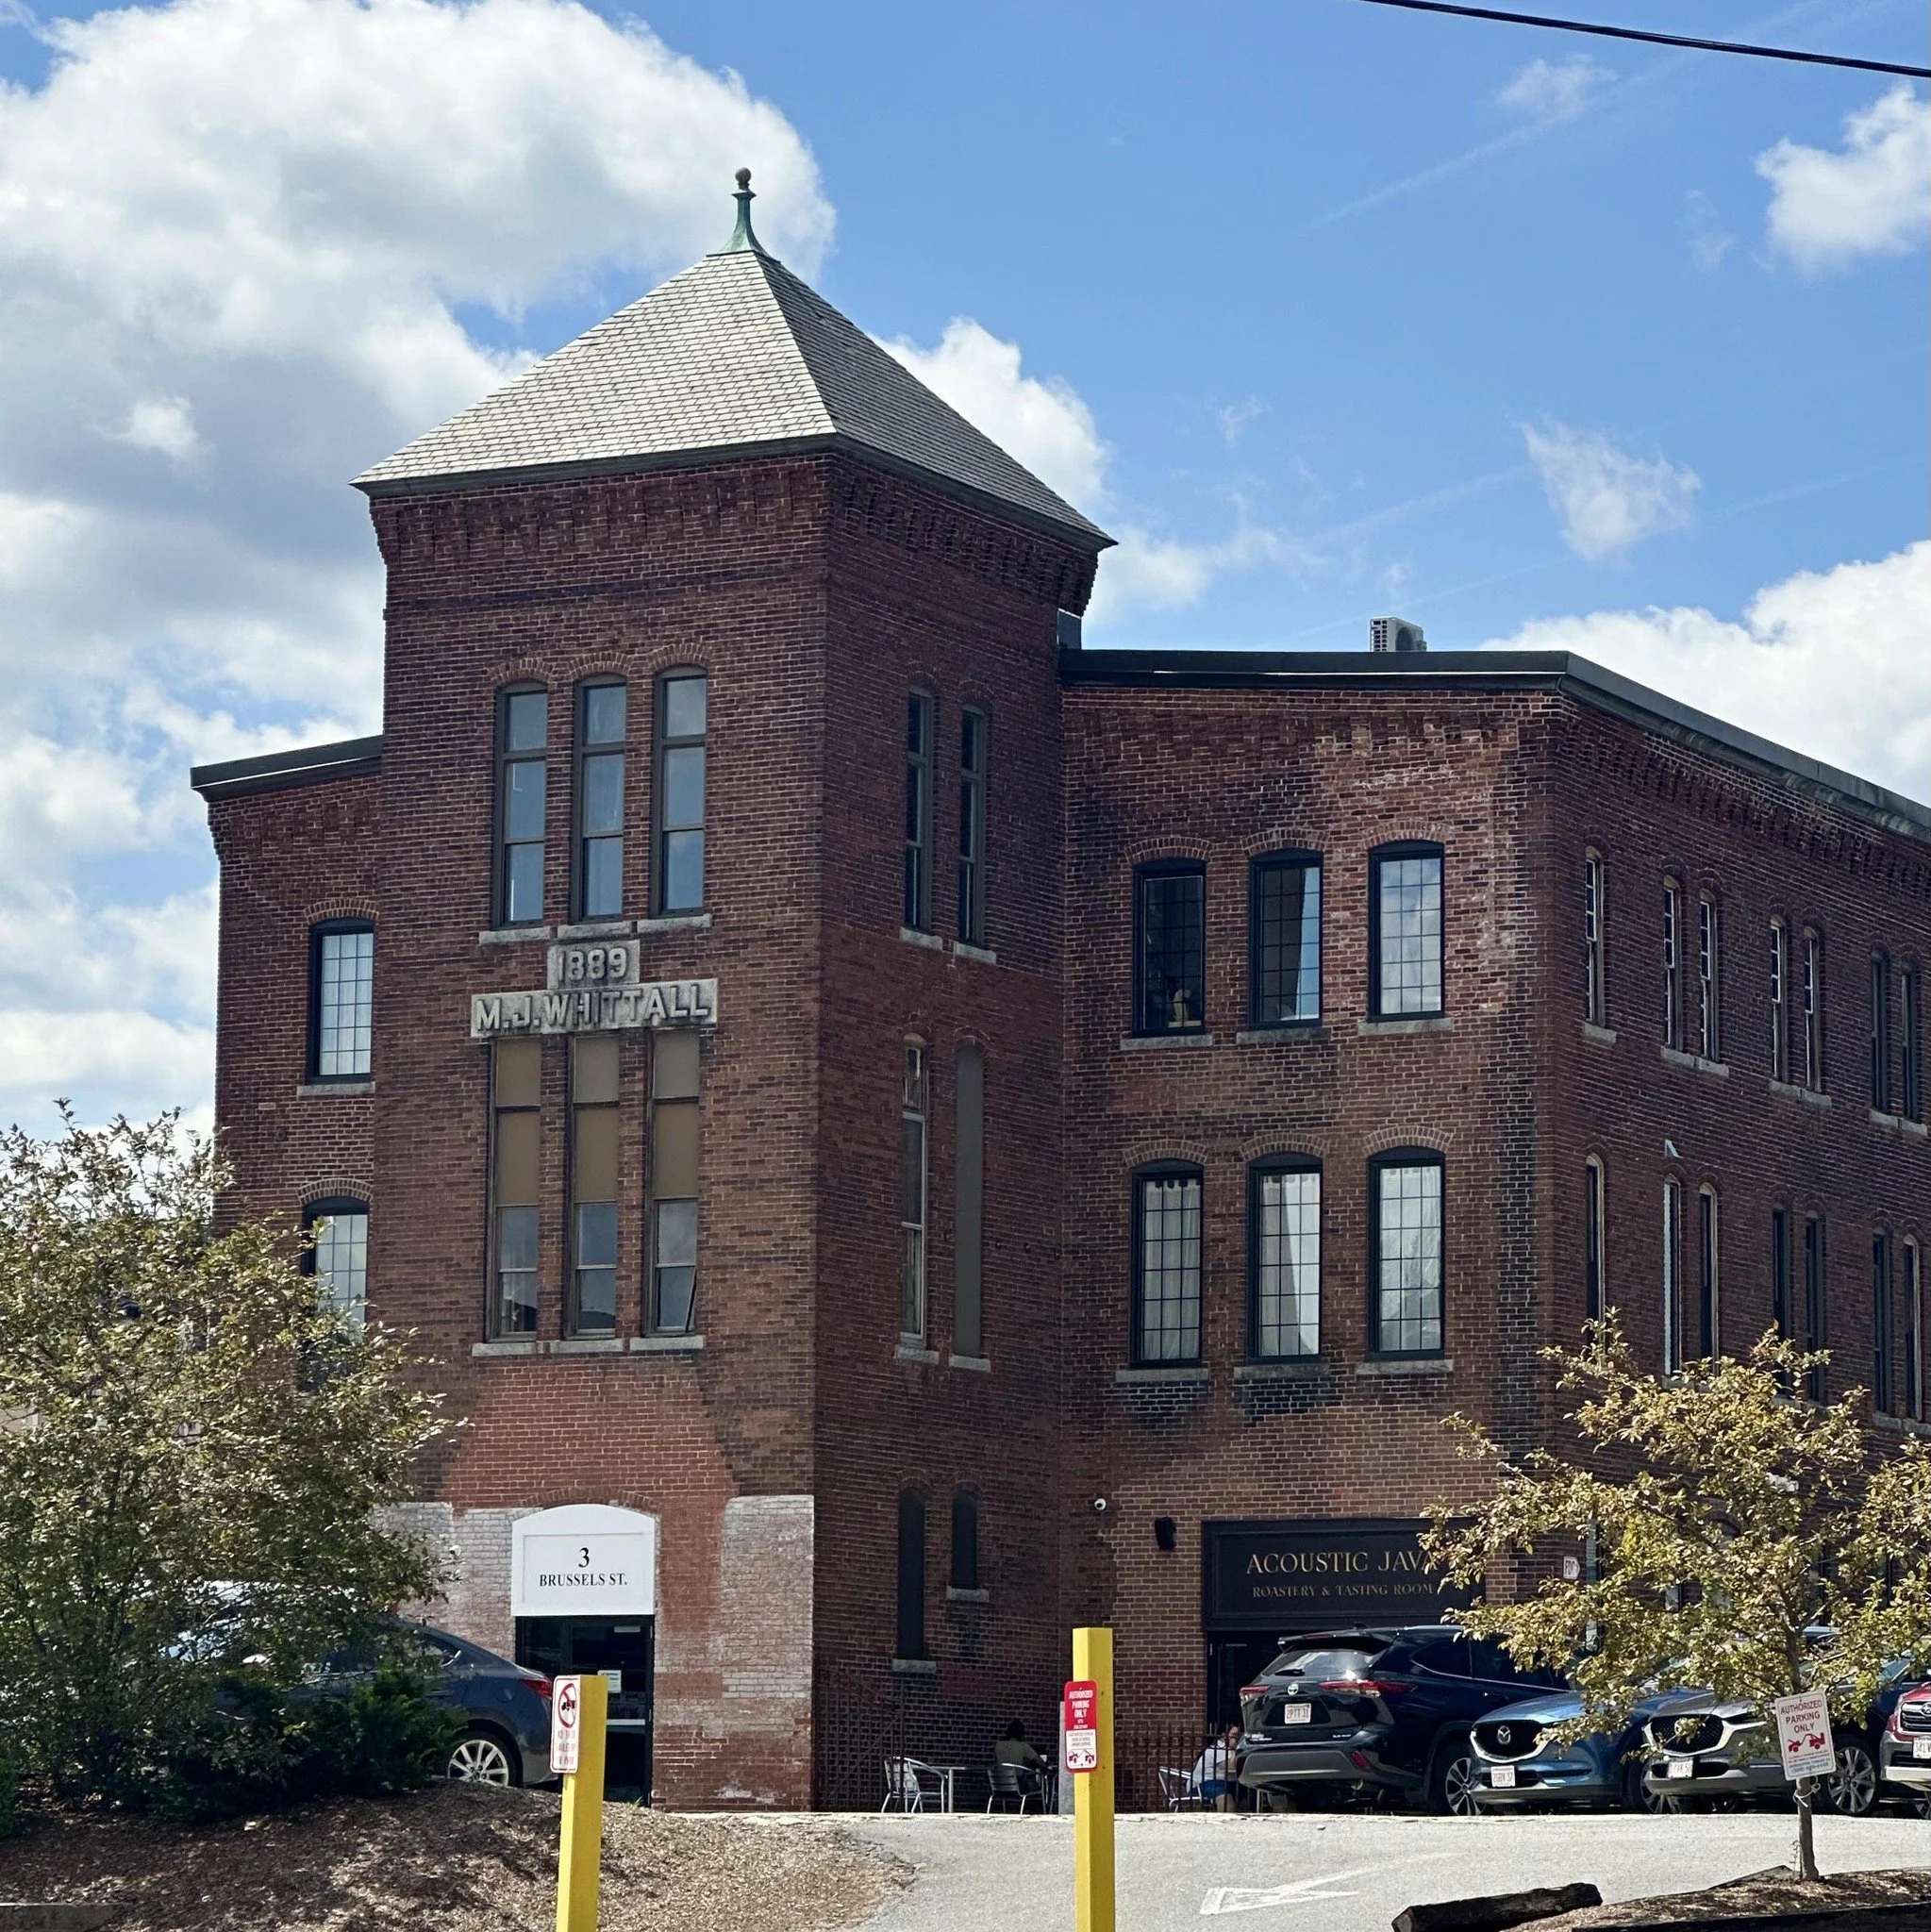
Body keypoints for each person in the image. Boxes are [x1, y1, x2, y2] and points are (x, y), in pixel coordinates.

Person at [1190, 1723, 1242, 1810]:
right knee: (1225, 1799)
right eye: (1233, 1735)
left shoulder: (1228, 1749)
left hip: (1227, 1782)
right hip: (1205, 1783)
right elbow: (1229, 1766)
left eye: (1238, 1735)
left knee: (1247, 1792)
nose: (1237, 1739)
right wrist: (1235, 1749)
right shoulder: (1218, 1748)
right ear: (1223, 1735)